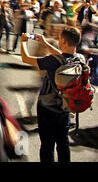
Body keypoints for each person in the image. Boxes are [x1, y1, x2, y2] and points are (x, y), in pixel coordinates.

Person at [20, 27, 83, 162]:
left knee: (47, 146)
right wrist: (44, 43)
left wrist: (23, 42)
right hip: (65, 108)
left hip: (47, 109)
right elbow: (63, 56)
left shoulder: (52, 61)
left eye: (60, 38)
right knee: (63, 143)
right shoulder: (79, 60)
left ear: (64, 41)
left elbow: (26, 59)